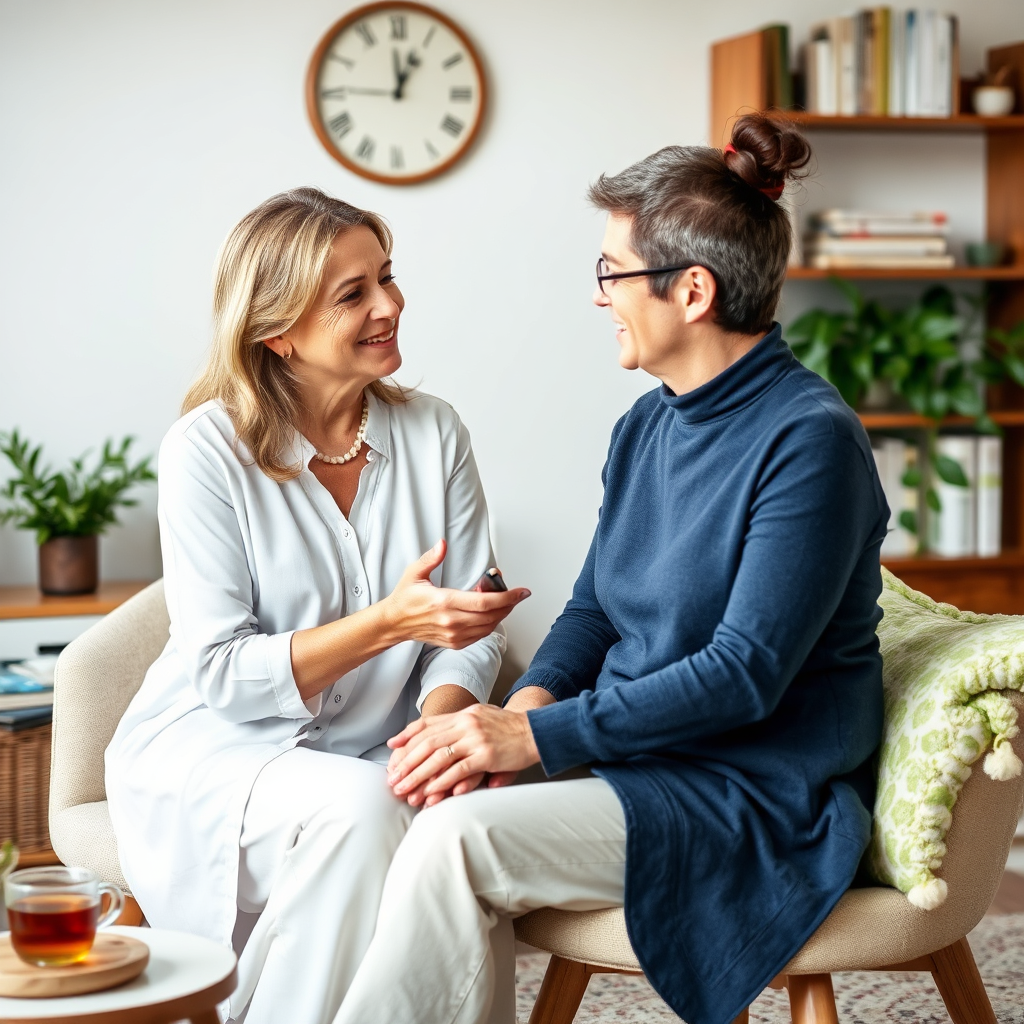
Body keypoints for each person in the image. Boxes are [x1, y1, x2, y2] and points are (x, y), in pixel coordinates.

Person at [336, 113, 888, 1024]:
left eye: (611, 272)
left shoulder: (809, 441)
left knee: (454, 843)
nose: (599, 296)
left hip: (747, 792)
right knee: (416, 796)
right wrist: (514, 715)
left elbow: (744, 677)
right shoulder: (649, 422)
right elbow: (595, 610)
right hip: (638, 755)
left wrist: (540, 744)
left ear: (694, 291)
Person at [104, 187, 530, 1024]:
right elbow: (222, 675)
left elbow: (471, 628)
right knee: (366, 811)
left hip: (373, 744)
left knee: (452, 823)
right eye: (353, 294)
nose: (390, 305)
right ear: (278, 332)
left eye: (387, 277)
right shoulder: (207, 451)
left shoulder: (435, 432)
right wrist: (391, 621)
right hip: (214, 751)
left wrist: (441, 733)